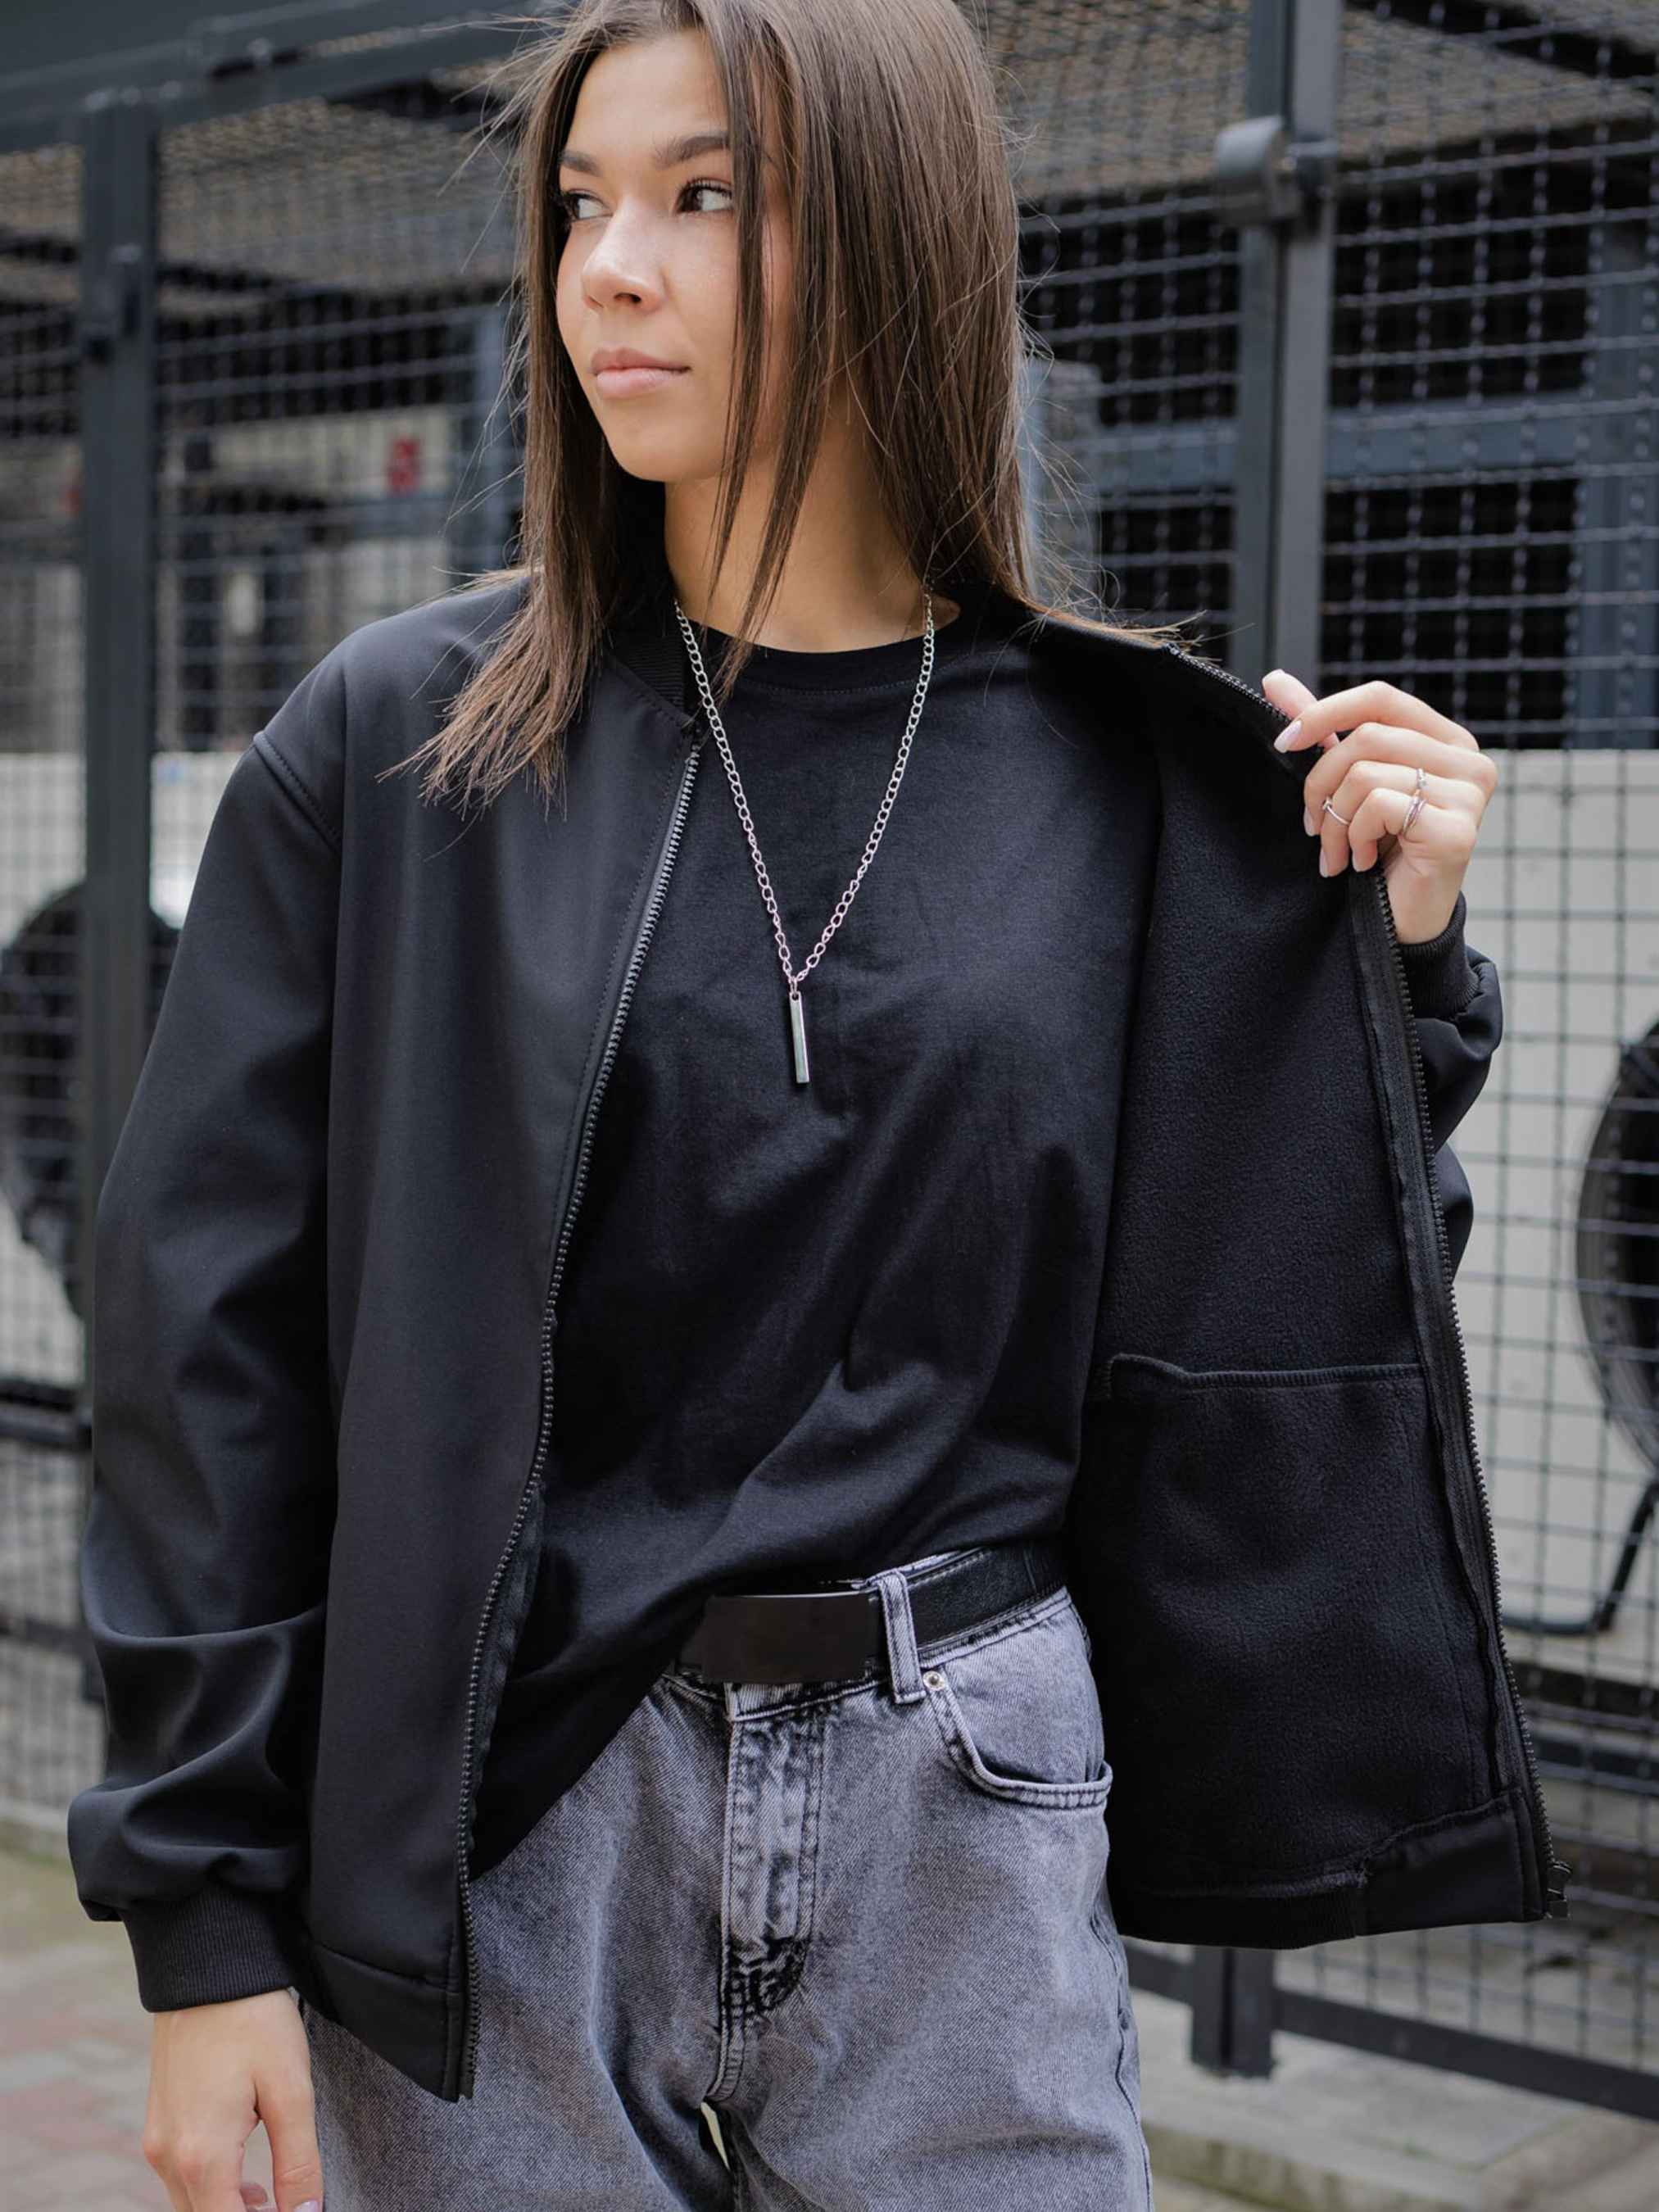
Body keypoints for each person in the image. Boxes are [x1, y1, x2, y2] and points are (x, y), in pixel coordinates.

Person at [68, 2, 1559, 2208]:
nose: (608, 269)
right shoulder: (397, 751)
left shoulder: (1126, 782)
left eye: (703, 198)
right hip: (512, 1809)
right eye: (582, 204)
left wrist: (1392, 976)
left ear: (889, 238)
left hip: (962, 1804)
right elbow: (208, 1351)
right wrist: (203, 1927)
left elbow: (1282, 1338)